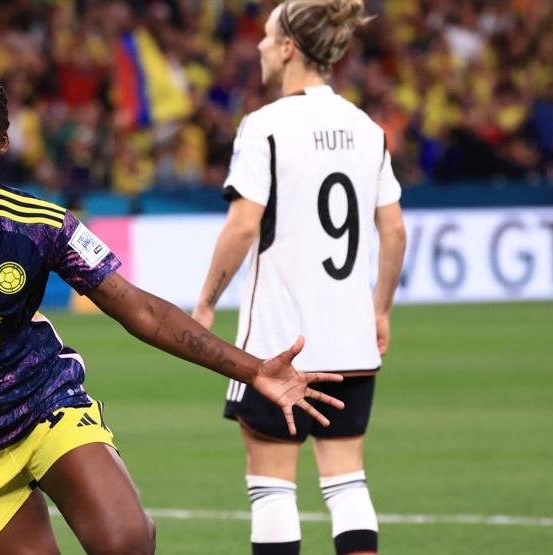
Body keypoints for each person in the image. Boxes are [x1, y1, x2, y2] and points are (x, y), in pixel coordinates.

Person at [0, 68, 347, 555]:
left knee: (128, 540)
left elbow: (139, 310)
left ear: (2, 143)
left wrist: (253, 370)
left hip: (42, 404)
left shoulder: (41, 223)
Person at [192, 2, 407, 554]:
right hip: (351, 340)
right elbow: (395, 231)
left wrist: (206, 303)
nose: (259, 47)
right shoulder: (367, 128)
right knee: (347, 483)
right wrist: (379, 309)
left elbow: (242, 227)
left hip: (278, 345)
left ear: (288, 48)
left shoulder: (264, 127)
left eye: (267, 38)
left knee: (271, 489)